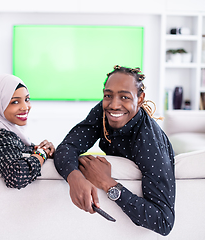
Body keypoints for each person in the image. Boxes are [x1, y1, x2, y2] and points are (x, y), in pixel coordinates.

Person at [54, 65, 175, 236]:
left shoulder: (149, 143)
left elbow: (163, 222)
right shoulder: (104, 112)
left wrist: (107, 183)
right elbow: (67, 147)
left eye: (125, 97)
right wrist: (74, 178)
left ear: (140, 99)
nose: (114, 104)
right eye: (108, 95)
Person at [0, 74, 55, 189]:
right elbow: (17, 176)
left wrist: (42, 148)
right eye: (15, 102)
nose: (25, 107)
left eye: (27, 99)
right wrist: (42, 154)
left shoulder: (5, 133)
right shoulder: (1, 136)